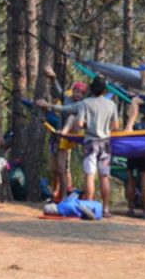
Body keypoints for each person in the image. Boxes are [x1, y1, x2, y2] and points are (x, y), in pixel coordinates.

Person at [37, 76, 119, 216]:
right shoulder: (111, 104)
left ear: (91, 89)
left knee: (90, 175)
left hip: (91, 143)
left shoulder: (85, 103)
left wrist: (49, 106)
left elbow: (76, 120)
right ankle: (105, 209)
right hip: (106, 144)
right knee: (105, 176)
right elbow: (115, 126)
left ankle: (90, 206)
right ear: (104, 90)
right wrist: (103, 128)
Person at [43, 65, 86, 202]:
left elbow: (65, 109)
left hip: (69, 138)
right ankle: (56, 194)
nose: (77, 95)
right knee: (54, 168)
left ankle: (64, 194)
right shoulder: (67, 98)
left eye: (80, 93)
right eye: (76, 92)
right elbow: (59, 91)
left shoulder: (82, 105)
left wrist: (49, 105)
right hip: (58, 135)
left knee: (63, 168)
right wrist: (53, 78)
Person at [123, 97, 145, 218]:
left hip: (132, 154)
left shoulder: (134, 126)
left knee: (130, 182)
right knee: (144, 185)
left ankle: (131, 209)